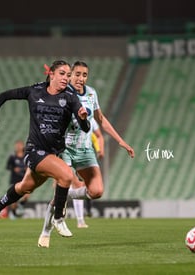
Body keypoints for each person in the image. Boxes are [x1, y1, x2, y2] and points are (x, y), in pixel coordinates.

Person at [0, 60, 90, 237]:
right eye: (62, 74)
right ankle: (58, 218)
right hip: (34, 151)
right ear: (52, 74)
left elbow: (86, 127)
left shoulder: (71, 98)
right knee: (66, 175)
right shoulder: (35, 91)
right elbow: (5, 94)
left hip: (53, 153)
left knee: (24, 188)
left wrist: (82, 118)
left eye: (68, 74)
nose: (67, 78)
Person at [38, 61, 135, 248]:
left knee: (97, 191)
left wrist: (120, 140)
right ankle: (46, 232)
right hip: (65, 148)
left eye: (84, 75)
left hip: (86, 150)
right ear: (70, 74)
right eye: (77, 74)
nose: (80, 78)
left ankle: (64, 196)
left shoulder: (91, 93)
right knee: (64, 182)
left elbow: (101, 119)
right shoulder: (62, 92)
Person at [72, 118, 104, 228]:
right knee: (77, 185)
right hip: (71, 154)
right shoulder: (70, 115)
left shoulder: (90, 119)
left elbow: (96, 136)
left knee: (86, 187)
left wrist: (100, 150)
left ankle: (61, 199)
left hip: (85, 157)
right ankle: (79, 220)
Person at [6, 140, 28, 218]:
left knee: (27, 195)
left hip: (24, 179)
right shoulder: (12, 157)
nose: (18, 146)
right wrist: (14, 168)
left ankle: (20, 205)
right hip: (14, 180)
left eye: (20, 145)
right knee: (13, 199)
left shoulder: (26, 156)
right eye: (17, 145)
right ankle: (14, 213)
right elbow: (8, 166)